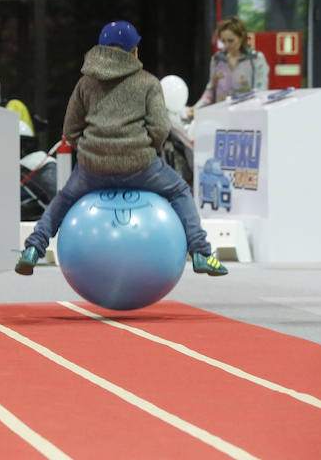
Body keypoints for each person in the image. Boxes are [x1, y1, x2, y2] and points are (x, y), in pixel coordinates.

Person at [15, 21, 228, 278]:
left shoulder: (85, 83)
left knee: (64, 199)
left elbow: (70, 130)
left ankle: (33, 248)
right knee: (179, 190)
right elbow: (161, 127)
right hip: (139, 165)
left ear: (102, 49)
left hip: (93, 167)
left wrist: (91, 151)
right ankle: (202, 253)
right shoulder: (148, 83)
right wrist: (146, 150)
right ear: (135, 51)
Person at [187, 16, 269, 119]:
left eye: (231, 41)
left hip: (247, 117)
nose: (226, 45)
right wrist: (196, 108)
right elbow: (210, 91)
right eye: (223, 41)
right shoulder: (217, 59)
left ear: (241, 37)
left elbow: (260, 92)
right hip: (221, 117)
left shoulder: (256, 59)